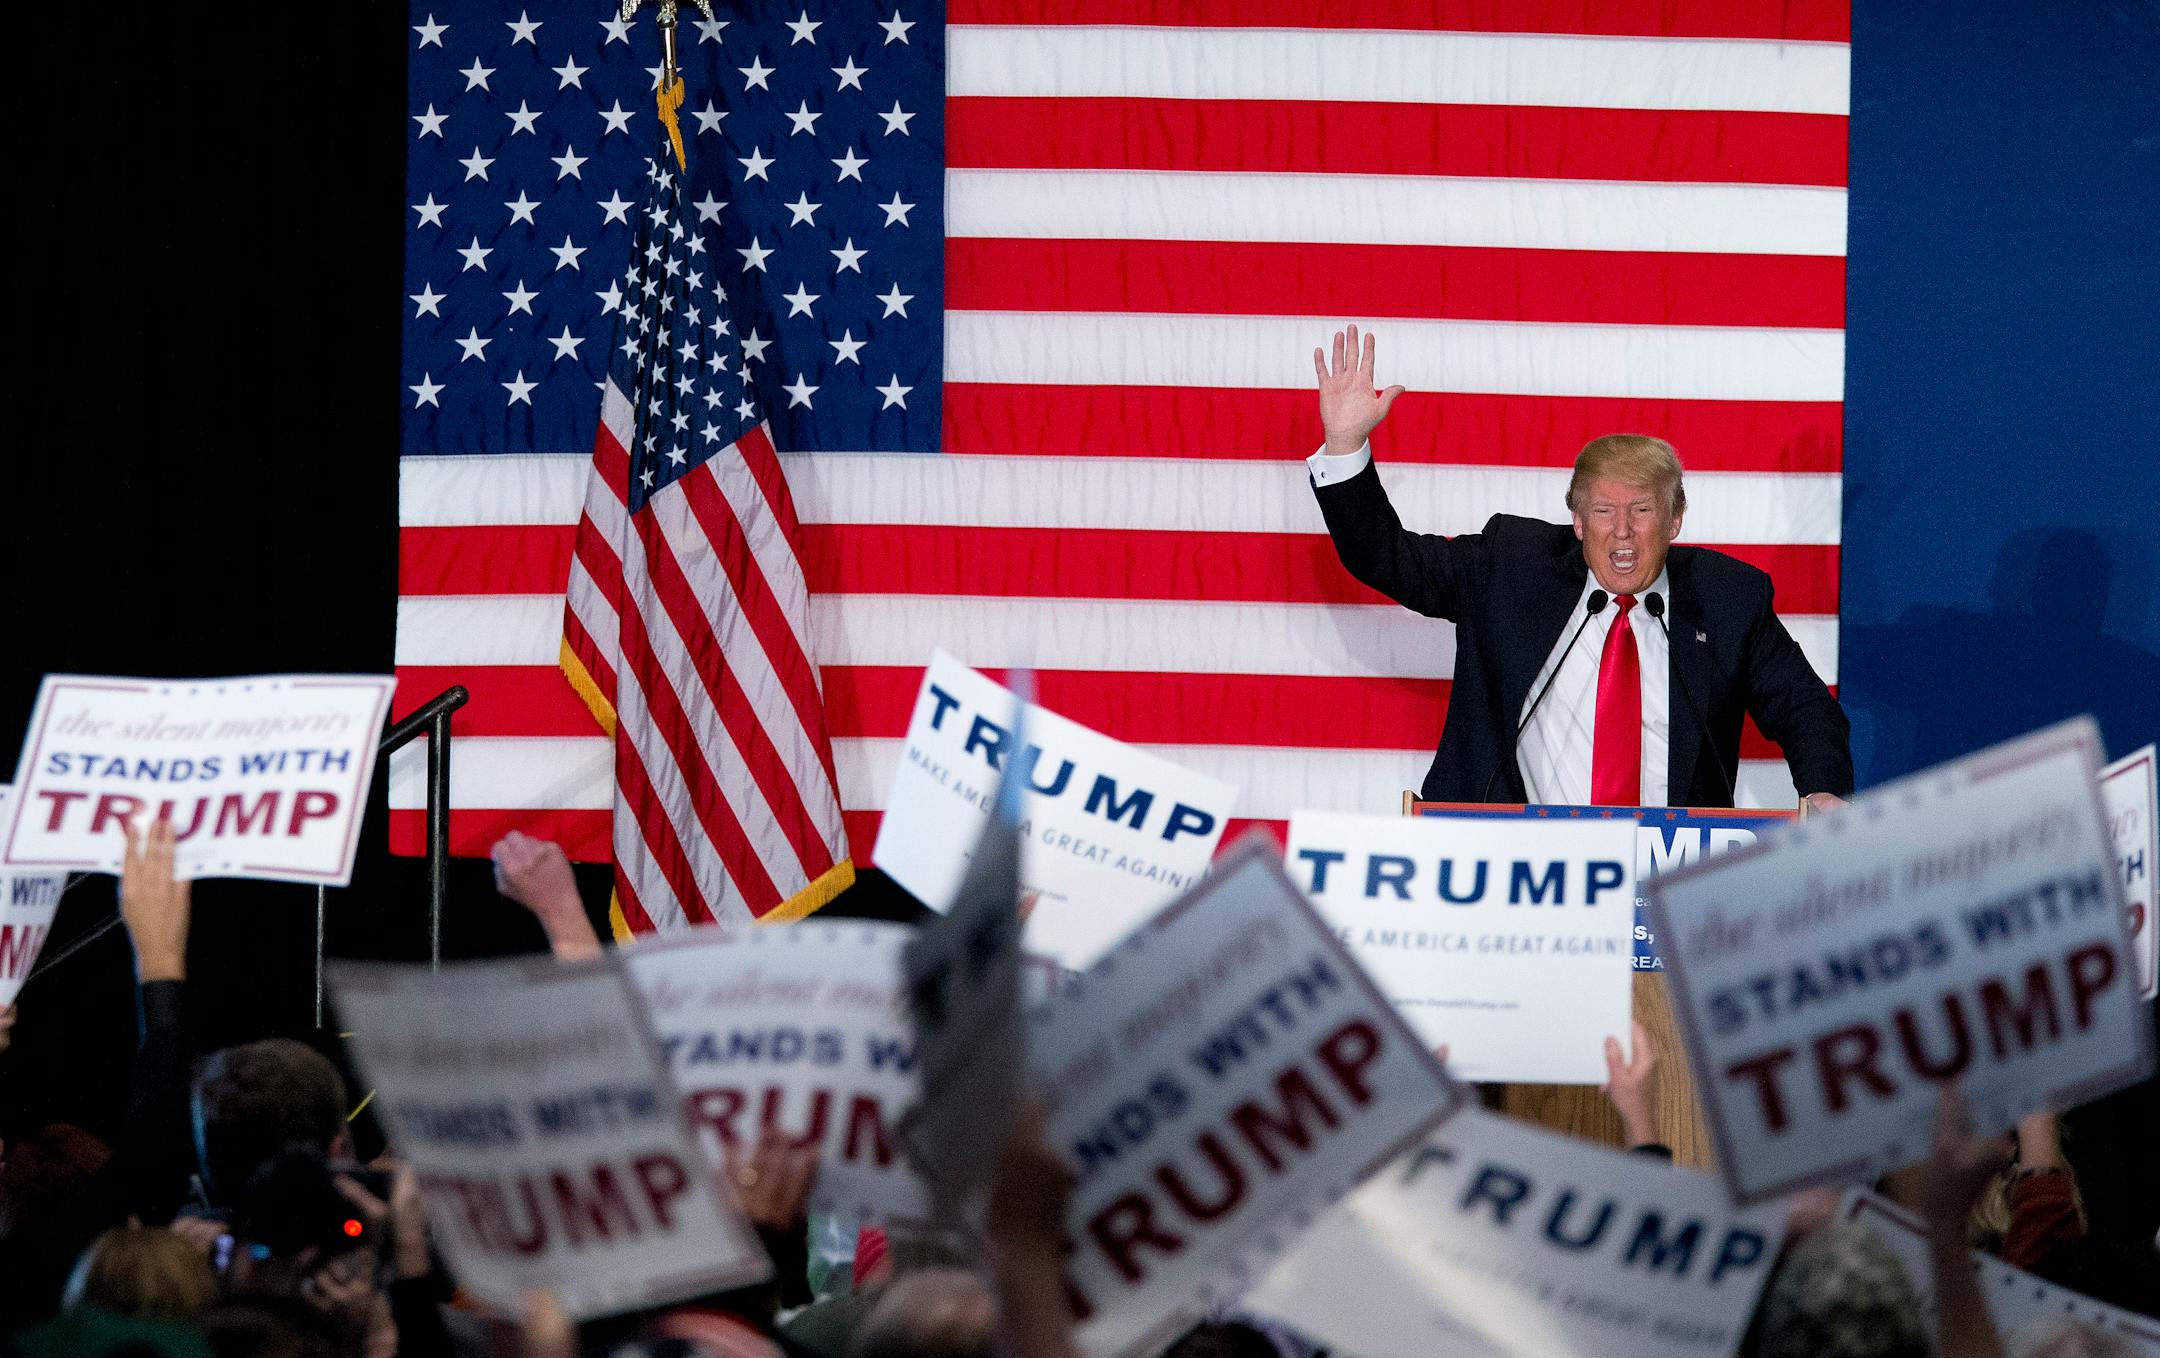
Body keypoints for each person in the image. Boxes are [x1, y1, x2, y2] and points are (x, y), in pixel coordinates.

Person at [1307, 325, 1853, 808]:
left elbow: (1807, 710)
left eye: (1642, 511)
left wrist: (1823, 791)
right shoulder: (1508, 566)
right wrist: (1346, 444)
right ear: (1577, 520)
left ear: (1674, 521)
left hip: (1664, 869)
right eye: (1603, 511)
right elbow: (1387, 557)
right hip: (1516, 865)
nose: (1622, 530)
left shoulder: (1728, 598)